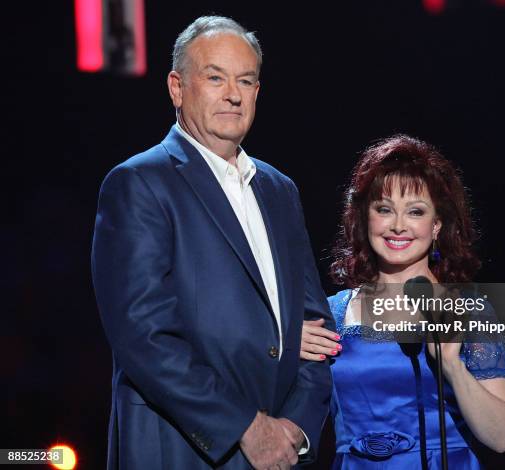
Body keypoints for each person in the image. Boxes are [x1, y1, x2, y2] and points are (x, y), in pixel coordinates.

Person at [91, 16, 334, 470]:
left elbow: (315, 329)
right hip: (180, 448)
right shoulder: (138, 183)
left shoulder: (279, 190)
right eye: (215, 77)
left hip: (280, 453)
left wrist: (295, 430)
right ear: (177, 88)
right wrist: (245, 427)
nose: (233, 94)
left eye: (246, 80)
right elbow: (143, 335)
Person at [301, 135, 505, 468]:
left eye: (415, 211)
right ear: (365, 218)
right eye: (385, 209)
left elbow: (501, 437)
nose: (398, 226)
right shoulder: (332, 313)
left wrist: (451, 365)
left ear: (436, 225)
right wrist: (285, 349)